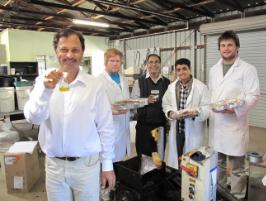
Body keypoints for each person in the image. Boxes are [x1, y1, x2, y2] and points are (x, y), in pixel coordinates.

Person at [24, 29, 115, 201]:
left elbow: (106, 127)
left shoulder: (94, 85)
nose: (69, 55)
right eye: (64, 49)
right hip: (54, 166)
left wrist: (107, 165)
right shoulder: (43, 81)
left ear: (82, 53)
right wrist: (45, 91)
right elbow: (33, 118)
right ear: (56, 52)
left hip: (86, 166)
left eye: (75, 50)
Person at [209, 30, 260, 200]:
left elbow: (254, 95)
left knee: (237, 167)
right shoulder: (213, 70)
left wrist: (235, 109)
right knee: (219, 163)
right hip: (218, 124)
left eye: (230, 44)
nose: (226, 48)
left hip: (235, 125)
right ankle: (221, 192)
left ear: (237, 47)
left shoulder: (247, 69)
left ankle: (237, 196)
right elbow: (212, 94)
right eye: (223, 45)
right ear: (219, 49)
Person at [162, 58, 210, 169]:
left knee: (192, 160)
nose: (181, 72)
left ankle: (189, 180)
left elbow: (207, 108)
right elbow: (166, 104)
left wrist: (196, 113)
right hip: (177, 129)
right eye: (178, 70)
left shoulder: (201, 87)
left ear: (190, 70)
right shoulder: (172, 87)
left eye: (184, 69)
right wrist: (170, 113)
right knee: (177, 156)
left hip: (194, 130)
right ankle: (178, 178)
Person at [131, 54, 170, 158]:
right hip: (143, 127)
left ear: (160, 64)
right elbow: (133, 102)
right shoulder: (139, 81)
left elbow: (170, 103)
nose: (154, 64)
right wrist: (145, 100)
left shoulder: (167, 83)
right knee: (143, 157)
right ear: (147, 65)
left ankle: (157, 174)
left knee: (159, 157)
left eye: (156, 62)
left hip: (160, 126)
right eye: (151, 62)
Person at [97, 48, 131, 162]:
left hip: (124, 122)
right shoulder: (98, 81)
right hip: (109, 125)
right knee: (108, 160)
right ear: (106, 62)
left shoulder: (124, 80)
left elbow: (126, 99)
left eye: (118, 61)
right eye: (112, 60)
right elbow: (94, 107)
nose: (115, 63)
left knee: (121, 158)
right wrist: (109, 110)